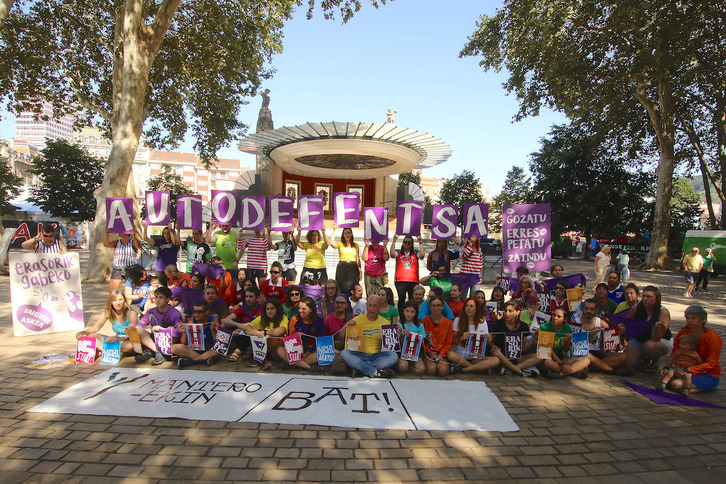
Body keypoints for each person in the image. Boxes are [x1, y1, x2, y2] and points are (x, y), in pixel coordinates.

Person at [662, 305, 721, 395]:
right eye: (687, 318)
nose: (690, 321)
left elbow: (711, 363)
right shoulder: (683, 332)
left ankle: (700, 388)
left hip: (706, 372)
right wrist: (667, 367)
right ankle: (689, 387)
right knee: (665, 378)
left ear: (703, 320)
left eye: (694, 318)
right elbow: (675, 352)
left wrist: (688, 370)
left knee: (676, 384)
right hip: (682, 367)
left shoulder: (713, 337)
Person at [340, 295, 398, 378]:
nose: (372, 309)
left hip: (377, 356)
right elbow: (341, 337)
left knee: (393, 356)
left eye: (375, 306)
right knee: (344, 353)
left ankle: (361, 369)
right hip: (359, 354)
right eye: (370, 305)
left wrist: (395, 334)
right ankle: (374, 371)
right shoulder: (357, 320)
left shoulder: (385, 322)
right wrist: (346, 325)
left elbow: (390, 346)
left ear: (380, 307)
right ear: (366, 305)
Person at [625, 285, 673, 370]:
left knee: (650, 345)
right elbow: (627, 323)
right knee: (630, 362)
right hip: (640, 338)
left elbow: (657, 337)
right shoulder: (636, 307)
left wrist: (656, 328)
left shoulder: (663, 312)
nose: (645, 299)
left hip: (660, 340)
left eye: (649, 296)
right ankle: (643, 357)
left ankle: (655, 361)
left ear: (656, 298)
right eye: (643, 296)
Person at [577, 299, 630, 375]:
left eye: (591, 309)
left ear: (596, 311)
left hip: (599, 354)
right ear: (583, 309)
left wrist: (619, 333)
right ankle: (611, 370)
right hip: (583, 353)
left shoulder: (602, 324)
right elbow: (572, 345)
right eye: (586, 308)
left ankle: (592, 366)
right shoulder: (575, 322)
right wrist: (589, 335)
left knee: (624, 357)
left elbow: (613, 346)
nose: (588, 311)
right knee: (587, 356)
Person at [75, 289, 135, 356]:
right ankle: (110, 350)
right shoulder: (108, 312)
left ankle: (104, 349)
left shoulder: (131, 313)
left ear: (124, 300)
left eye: (120, 300)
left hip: (128, 339)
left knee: (129, 346)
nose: (118, 303)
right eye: (115, 300)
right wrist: (84, 332)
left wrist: (119, 338)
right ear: (111, 302)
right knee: (91, 336)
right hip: (116, 340)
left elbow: (134, 334)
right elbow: (96, 328)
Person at [447, 297, 499, 374]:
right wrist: (461, 338)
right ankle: (478, 368)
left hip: (475, 357)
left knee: (496, 360)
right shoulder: (458, 320)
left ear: (476, 308)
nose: (468, 308)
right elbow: (451, 341)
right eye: (466, 306)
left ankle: (464, 370)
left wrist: (489, 339)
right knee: (450, 354)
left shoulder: (482, 323)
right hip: (459, 355)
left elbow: (487, 343)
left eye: (471, 306)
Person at [536, 307, 590, 379]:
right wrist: (562, 364)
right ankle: (577, 370)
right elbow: (548, 349)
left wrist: (567, 342)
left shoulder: (567, 329)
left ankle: (560, 374)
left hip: (561, 358)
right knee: (548, 363)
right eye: (554, 315)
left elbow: (565, 350)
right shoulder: (545, 327)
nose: (555, 318)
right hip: (548, 357)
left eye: (559, 316)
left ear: (565, 319)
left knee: (586, 360)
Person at [236, 297, 289, 370]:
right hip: (263, 347)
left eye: (272, 309)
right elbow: (248, 327)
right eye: (267, 309)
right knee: (254, 329)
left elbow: (282, 330)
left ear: (277, 309)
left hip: (276, 349)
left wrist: (264, 332)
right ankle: (263, 359)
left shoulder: (283, 317)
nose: (269, 311)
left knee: (273, 335)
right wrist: (255, 333)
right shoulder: (262, 318)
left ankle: (258, 358)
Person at [135, 286, 182, 365]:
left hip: (167, 341)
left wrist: (163, 329)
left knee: (172, 330)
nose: (157, 300)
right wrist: (132, 327)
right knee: (138, 329)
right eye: (156, 297)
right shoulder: (151, 311)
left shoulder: (175, 313)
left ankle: (151, 352)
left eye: (161, 297)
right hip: (154, 339)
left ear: (168, 299)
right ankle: (157, 352)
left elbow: (179, 331)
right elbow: (141, 324)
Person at [488, 301, 537, 376]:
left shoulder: (523, 326)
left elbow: (524, 349)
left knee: (539, 357)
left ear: (517, 312)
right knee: (497, 353)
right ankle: (519, 371)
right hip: (501, 356)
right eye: (505, 311)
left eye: (510, 311)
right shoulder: (497, 324)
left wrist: (533, 338)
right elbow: (491, 342)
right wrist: (494, 346)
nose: (507, 314)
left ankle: (511, 369)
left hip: (516, 357)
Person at [282, 296, 325, 372]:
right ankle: (309, 367)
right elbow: (289, 342)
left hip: (311, 350)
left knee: (321, 353)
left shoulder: (318, 321)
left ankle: (294, 364)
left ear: (311, 309)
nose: (300, 311)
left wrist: (307, 353)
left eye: (303, 309)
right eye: (299, 308)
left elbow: (320, 341)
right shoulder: (294, 320)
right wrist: (296, 337)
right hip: (297, 350)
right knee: (280, 350)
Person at [175, 300, 224, 368]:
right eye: (194, 312)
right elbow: (184, 343)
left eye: (199, 312)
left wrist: (213, 331)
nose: (196, 314)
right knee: (174, 347)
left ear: (207, 312)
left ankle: (192, 360)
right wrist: (184, 332)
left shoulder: (214, 320)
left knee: (219, 349)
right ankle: (204, 359)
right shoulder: (192, 320)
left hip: (210, 348)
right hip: (195, 348)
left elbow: (218, 343)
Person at [223, 287, 263, 362]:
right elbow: (226, 320)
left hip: (255, 335)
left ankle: (238, 350)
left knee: (253, 330)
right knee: (226, 325)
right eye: (246, 297)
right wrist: (239, 325)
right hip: (240, 334)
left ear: (257, 298)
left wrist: (244, 329)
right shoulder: (243, 309)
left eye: (251, 297)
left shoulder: (262, 309)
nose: (248, 299)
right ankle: (220, 349)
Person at [390, 235, 426, 314]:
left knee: (412, 299)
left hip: (413, 280)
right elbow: (392, 254)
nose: (407, 244)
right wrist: (394, 241)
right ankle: (401, 317)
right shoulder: (398, 251)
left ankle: (412, 316)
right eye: (405, 242)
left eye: (409, 243)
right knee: (401, 299)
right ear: (403, 243)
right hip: (400, 280)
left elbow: (422, 255)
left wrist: (420, 242)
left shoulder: (415, 252)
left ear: (412, 244)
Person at [421, 295, 453, 377]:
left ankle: (450, 366)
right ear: (430, 307)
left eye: (438, 305)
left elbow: (449, 342)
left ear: (443, 306)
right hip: (429, 353)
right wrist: (429, 352)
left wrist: (442, 355)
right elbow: (422, 341)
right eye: (433, 306)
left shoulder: (447, 323)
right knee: (431, 370)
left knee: (443, 371)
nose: (436, 308)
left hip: (441, 353)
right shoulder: (424, 321)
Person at [327, 225, 361, 296]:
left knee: (353, 287)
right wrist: (334, 230)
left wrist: (360, 271)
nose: (347, 235)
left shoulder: (356, 245)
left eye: (349, 233)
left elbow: (357, 258)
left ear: (351, 234)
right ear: (343, 234)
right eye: (345, 233)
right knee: (341, 286)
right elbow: (331, 243)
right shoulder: (340, 243)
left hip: (353, 267)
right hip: (342, 266)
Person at [396, 301, 426, 376]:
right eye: (407, 311)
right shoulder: (400, 325)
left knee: (421, 370)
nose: (409, 314)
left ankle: (410, 368)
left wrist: (419, 338)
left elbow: (423, 343)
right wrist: (402, 335)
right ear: (403, 311)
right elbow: (397, 344)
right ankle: (404, 366)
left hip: (416, 354)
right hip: (403, 353)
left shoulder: (420, 325)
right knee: (402, 367)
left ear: (415, 313)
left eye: (412, 312)